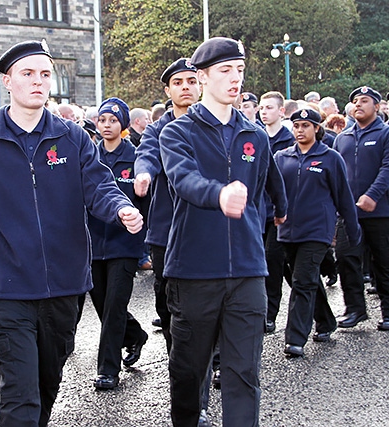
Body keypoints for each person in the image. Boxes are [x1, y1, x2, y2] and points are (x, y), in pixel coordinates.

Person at [0, 40, 143, 427]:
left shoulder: (72, 136)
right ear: (8, 81)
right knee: (20, 393)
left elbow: (98, 185)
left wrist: (120, 208)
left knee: (47, 384)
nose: (38, 82)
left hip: (63, 286)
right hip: (8, 286)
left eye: (45, 74)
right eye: (28, 74)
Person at [159, 37, 286, 427]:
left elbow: (268, 183)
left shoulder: (256, 136)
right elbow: (184, 180)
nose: (235, 79)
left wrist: (280, 211)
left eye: (240, 70)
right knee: (188, 374)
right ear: (202, 78)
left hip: (248, 270)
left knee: (244, 374)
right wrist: (219, 195)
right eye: (225, 70)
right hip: (194, 271)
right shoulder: (177, 133)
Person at [274, 108, 360, 357]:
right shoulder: (281, 157)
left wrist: (353, 233)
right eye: (297, 125)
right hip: (288, 230)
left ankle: (295, 339)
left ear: (317, 128)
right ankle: (326, 321)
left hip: (317, 231)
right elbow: (273, 193)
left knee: (302, 281)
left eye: (305, 125)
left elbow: (343, 197)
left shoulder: (330, 158)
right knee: (305, 279)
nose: (300, 130)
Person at [134, 57, 199, 350]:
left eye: (191, 81)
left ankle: (217, 357)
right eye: (178, 82)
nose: (185, 87)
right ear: (167, 90)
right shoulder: (157, 129)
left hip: (205, 223)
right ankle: (179, 354)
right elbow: (147, 154)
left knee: (209, 292)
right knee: (164, 293)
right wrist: (144, 173)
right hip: (166, 226)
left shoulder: (211, 123)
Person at [89, 97, 148, 390]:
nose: (107, 125)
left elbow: (145, 203)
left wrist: (144, 241)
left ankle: (108, 369)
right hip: (94, 244)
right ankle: (135, 335)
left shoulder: (136, 158)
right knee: (102, 305)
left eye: (113, 120)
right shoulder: (89, 156)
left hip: (124, 245)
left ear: (123, 125)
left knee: (114, 307)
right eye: (102, 120)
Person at [333, 86, 389, 331]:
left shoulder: (385, 134)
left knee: (383, 262)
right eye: (355, 101)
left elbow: (387, 169)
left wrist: (372, 195)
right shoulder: (342, 137)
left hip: (380, 212)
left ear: (376, 106)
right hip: (349, 213)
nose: (358, 105)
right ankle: (355, 308)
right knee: (346, 258)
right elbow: (334, 174)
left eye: (364, 101)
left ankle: (387, 311)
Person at [258, 91, 295, 334]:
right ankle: (320, 311)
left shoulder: (290, 139)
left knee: (274, 262)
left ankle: (270, 314)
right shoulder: (255, 137)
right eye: (261, 107)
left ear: (281, 111)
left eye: (269, 107)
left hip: (280, 213)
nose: (263, 111)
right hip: (258, 211)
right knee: (280, 266)